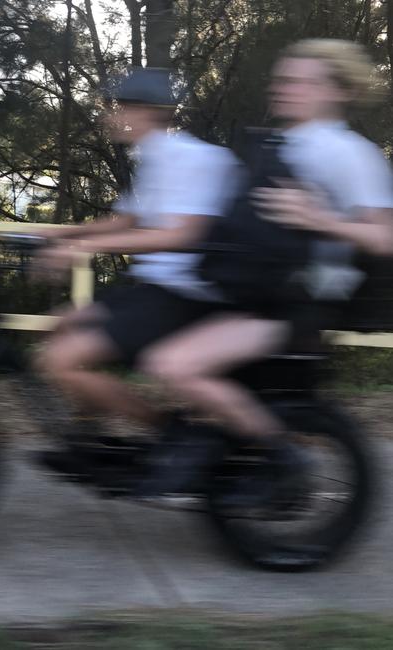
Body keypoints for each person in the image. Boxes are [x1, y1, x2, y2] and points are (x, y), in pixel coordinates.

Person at [135, 38, 393, 494]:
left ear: (337, 90)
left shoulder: (349, 152)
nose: (283, 87)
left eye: (299, 81)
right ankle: (198, 444)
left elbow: (383, 237)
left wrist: (320, 219)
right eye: (281, 79)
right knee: (151, 338)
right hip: (249, 291)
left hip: (293, 307)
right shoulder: (278, 141)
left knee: (174, 365)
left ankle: (285, 459)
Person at [32, 67, 241, 473]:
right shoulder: (154, 158)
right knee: (61, 325)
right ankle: (88, 436)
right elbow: (124, 221)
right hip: (152, 287)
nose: (108, 116)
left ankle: (170, 431)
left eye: (117, 108)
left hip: (184, 294)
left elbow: (181, 235)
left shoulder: (191, 158)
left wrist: (83, 247)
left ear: (145, 112)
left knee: (58, 361)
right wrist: (58, 235)